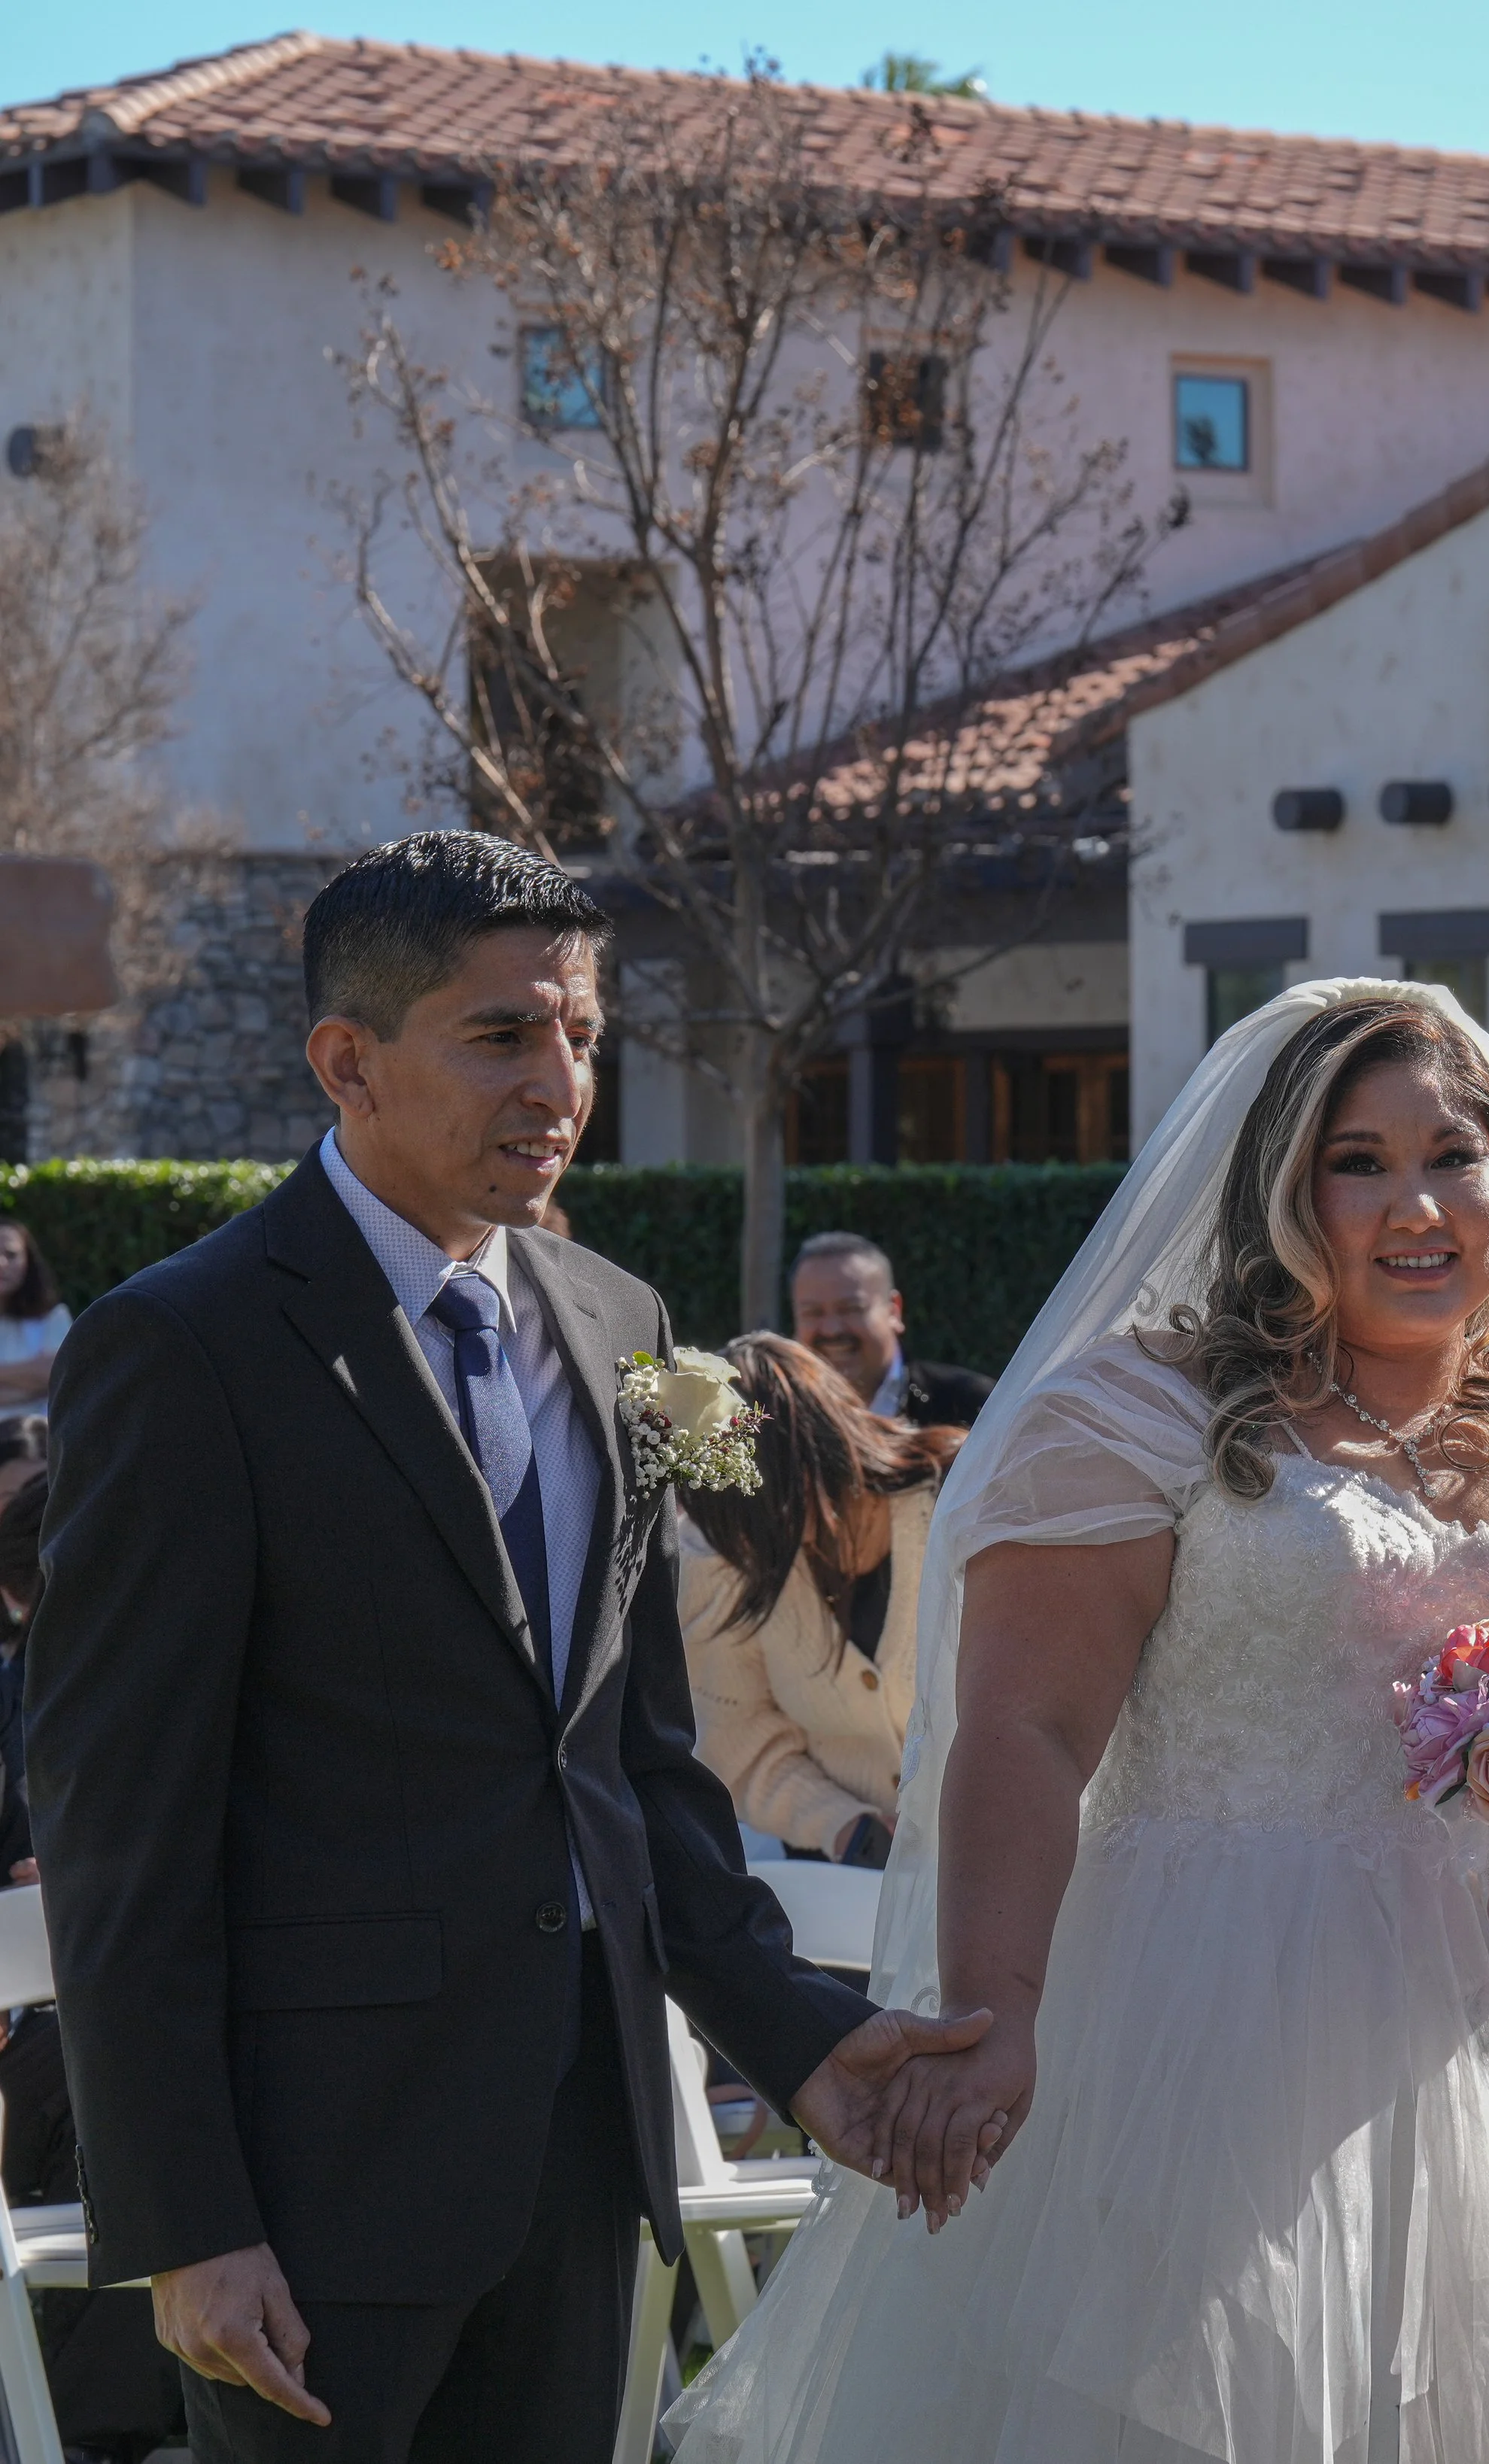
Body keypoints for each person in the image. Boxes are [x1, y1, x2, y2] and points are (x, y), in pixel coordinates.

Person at [669, 979, 1489, 2464]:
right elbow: (1026, 1728)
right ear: (1276, 1193)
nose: (1413, 1200)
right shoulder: (1139, 1418)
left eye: (1453, 1151)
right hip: (1209, 2022)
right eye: (1354, 1160)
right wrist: (999, 2012)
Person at [26, 830, 987, 2464]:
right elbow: (117, 1826)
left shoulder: (617, 1320)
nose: (558, 1081)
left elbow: (628, 1762)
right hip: (306, 2193)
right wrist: (186, 2217)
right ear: (349, 1059)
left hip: (576, 2153)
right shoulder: (179, 1347)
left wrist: (800, 2038)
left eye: (582, 1035)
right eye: (500, 1034)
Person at [0, 1468, 189, 2464]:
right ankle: (91, 2427)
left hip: (143, 1991)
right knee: (115, 2084)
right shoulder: (22, 1693)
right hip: (45, 2022)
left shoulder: (167, 1672)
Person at [679, 1335, 963, 1866]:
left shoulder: (959, 1498)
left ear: (816, 1451)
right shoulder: (721, 1555)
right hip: (844, 1882)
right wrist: (846, 1827)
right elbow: (739, 1743)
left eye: (764, 1512)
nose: (754, 1544)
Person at [789, 1232, 992, 1427]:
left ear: (894, 1310)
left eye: (850, 1309)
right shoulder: (772, 1416)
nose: (831, 1330)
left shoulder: (972, 1408)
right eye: (813, 1313)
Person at [0, 1217, 71, 1408]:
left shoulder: (54, 1317)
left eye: (11, 1255)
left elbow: (60, 1376)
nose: (2, 1264)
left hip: (36, 1435)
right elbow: (45, 1377)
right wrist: (33, 1378)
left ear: (28, 1261)